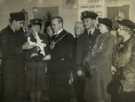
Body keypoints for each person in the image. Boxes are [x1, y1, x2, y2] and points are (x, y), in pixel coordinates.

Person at [86, 18, 115, 102]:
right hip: (94, 71)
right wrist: (87, 62)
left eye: (101, 26)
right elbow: (92, 52)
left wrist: (92, 65)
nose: (99, 28)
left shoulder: (111, 38)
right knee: (94, 96)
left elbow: (105, 56)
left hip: (103, 71)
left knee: (103, 95)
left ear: (107, 27)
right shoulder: (99, 37)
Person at [47, 16, 75, 102]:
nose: (52, 27)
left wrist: (52, 56)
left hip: (62, 72)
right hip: (52, 72)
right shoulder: (52, 37)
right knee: (53, 95)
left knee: (62, 96)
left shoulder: (68, 37)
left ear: (61, 24)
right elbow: (49, 50)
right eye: (52, 25)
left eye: (54, 25)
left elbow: (69, 54)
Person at [0, 11, 26, 102]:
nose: (22, 25)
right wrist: (22, 47)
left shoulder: (20, 33)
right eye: (21, 23)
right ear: (14, 21)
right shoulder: (4, 33)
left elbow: (24, 47)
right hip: (9, 72)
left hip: (20, 70)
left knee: (20, 94)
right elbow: (5, 52)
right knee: (9, 94)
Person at [22, 18, 50, 102]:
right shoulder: (26, 37)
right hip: (30, 65)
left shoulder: (44, 37)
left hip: (41, 65)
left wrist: (45, 63)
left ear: (40, 27)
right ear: (31, 27)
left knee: (39, 87)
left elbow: (47, 51)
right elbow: (23, 53)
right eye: (34, 26)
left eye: (38, 26)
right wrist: (30, 55)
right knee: (31, 88)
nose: (36, 28)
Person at [112, 19, 135, 102]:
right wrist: (113, 66)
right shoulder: (119, 42)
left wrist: (120, 71)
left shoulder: (133, 43)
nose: (117, 30)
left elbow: (133, 64)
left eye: (120, 28)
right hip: (118, 80)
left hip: (129, 83)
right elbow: (114, 58)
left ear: (127, 30)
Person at [80, 10, 100, 102]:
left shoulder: (101, 35)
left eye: (87, 21)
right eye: (83, 21)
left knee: (97, 95)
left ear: (93, 21)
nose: (84, 23)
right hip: (84, 71)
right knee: (86, 96)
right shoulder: (81, 37)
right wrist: (79, 69)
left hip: (97, 71)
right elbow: (78, 55)